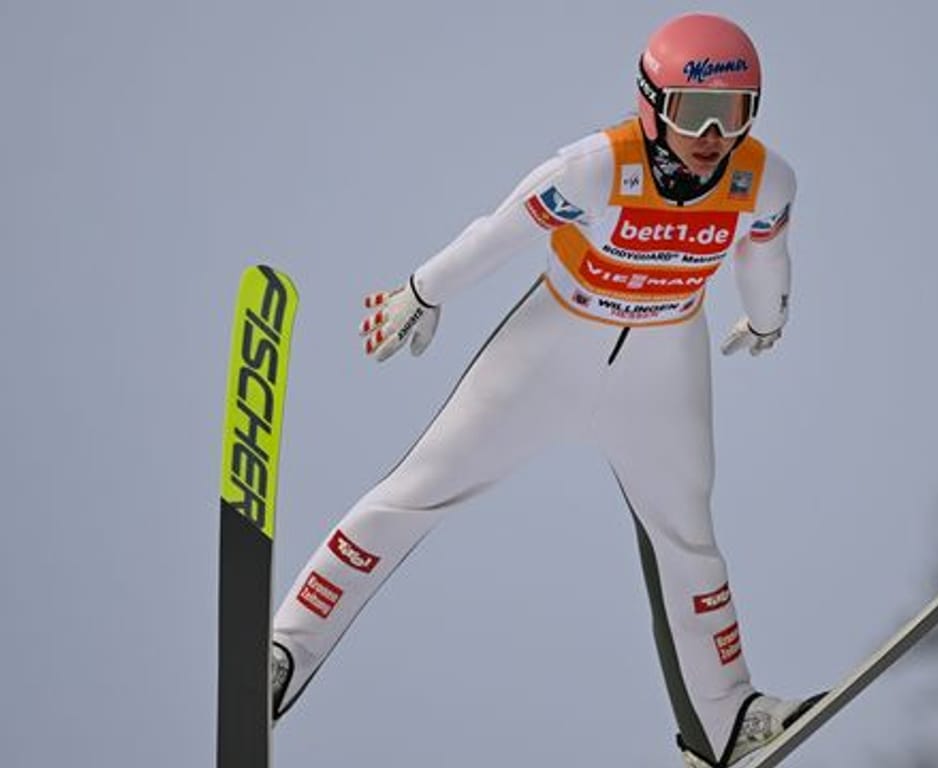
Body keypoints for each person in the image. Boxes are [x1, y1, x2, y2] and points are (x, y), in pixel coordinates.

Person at [268, 12, 816, 767]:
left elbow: (765, 253)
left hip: (663, 366)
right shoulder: (597, 166)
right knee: (415, 493)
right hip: (551, 350)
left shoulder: (766, 176)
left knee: (689, 542)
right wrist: (422, 291)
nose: (715, 133)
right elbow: (498, 231)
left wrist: (766, 319)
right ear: (652, 105)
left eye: (737, 111)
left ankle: (726, 723)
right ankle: (282, 652)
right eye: (695, 113)